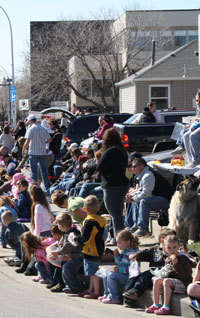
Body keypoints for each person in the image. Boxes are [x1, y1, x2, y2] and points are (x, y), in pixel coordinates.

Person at [123, 228, 176, 307]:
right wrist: (135, 255)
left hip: (165, 276)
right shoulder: (155, 250)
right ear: (162, 240)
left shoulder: (174, 252)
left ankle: (135, 292)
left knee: (147, 275)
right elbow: (145, 253)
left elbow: (188, 255)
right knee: (135, 278)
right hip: (153, 274)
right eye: (166, 239)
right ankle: (128, 298)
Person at [145, 235, 193, 315]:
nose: (172, 250)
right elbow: (169, 274)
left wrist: (176, 265)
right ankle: (156, 304)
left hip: (184, 284)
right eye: (169, 248)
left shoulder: (183, 258)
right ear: (165, 247)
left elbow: (186, 275)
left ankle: (166, 307)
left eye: (174, 247)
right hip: (174, 283)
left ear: (179, 246)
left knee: (166, 281)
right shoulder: (168, 258)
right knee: (157, 280)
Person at [96, 128, 129, 243]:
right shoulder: (122, 150)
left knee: (113, 214)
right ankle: (117, 236)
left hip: (111, 185)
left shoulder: (109, 151)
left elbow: (99, 166)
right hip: (123, 184)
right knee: (118, 213)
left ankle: (118, 239)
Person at [125, 158, 170, 236]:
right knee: (136, 199)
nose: (132, 168)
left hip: (165, 200)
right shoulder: (142, 175)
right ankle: (136, 224)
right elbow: (141, 191)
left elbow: (146, 194)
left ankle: (143, 228)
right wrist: (131, 196)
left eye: (134, 166)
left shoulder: (148, 175)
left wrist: (132, 199)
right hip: (155, 197)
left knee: (144, 201)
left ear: (142, 166)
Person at [74, 195, 107, 299]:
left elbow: (85, 238)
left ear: (85, 209)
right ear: (98, 207)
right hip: (99, 247)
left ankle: (96, 291)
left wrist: (76, 238)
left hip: (90, 249)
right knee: (92, 271)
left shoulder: (89, 221)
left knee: (93, 272)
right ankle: (91, 289)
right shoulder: (100, 219)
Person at [99, 230, 139, 304]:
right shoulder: (124, 250)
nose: (118, 245)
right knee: (104, 272)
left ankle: (114, 297)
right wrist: (117, 256)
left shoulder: (133, 253)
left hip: (129, 277)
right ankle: (107, 294)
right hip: (123, 274)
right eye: (117, 242)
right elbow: (120, 263)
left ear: (128, 242)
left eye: (120, 243)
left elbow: (133, 269)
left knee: (112, 275)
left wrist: (119, 270)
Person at [48, 213, 85, 293]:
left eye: (58, 224)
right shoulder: (67, 233)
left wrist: (57, 253)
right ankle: (67, 285)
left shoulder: (72, 234)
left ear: (62, 225)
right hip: (72, 256)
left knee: (67, 269)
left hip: (76, 257)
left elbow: (68, 247)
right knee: (65, 268)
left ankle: (76, 287)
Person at [22, 114, 51, 192]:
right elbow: (49, 139)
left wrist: (23, 150)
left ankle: (34, 190)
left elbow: (27, 141)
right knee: (44, 171)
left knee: (33, 172)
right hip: (42, 152)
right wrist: (43, 142)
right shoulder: (43, 128)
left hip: (33, 153)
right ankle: (47, 189)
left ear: (31, 121)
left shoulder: (31, 129)